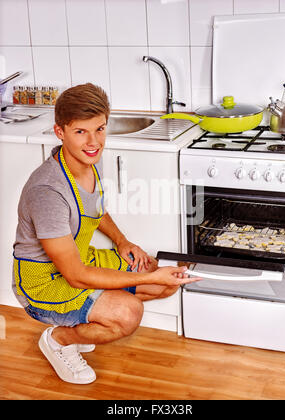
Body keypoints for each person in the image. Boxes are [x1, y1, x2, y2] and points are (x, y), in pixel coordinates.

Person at [12, 83, 199, 385]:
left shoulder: (85, 164)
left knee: (163, 279)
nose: (93, 142)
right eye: (81, 132)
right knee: (128, 312)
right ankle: (59, 339)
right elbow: (75, 276)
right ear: (59, 132)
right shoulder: (47, 191)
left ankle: (88, 317)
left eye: (99, 129)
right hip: (42, 284)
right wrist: (147, 280)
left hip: (79, 260)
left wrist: (123, 242)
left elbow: (94, 209)